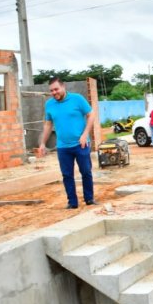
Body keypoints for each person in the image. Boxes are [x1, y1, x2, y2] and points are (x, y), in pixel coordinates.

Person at [40, 77, 98, 209]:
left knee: (86, 172)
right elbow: (48, 124)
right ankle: (72, 202)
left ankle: (89, 199)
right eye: (51, 90)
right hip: (63, 147)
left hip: (81, 144)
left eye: (56, 89)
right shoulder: (49, 104)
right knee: (67, 175)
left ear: (63, 87)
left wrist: (85, 135)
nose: (54, 92)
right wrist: (43, 143)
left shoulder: (77, 99)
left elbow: (91, 114)